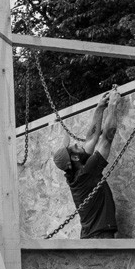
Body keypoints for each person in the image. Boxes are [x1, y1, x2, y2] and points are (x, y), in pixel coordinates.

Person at [52, 89, 120, 238]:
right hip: (99, 236)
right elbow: (106, 139)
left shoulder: (76, 171)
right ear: (75, 158)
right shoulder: (86, 174)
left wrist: (99, 108)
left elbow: (91, 139)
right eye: (74, 147)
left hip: (92, 235)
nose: (78, 145)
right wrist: (113, 105)